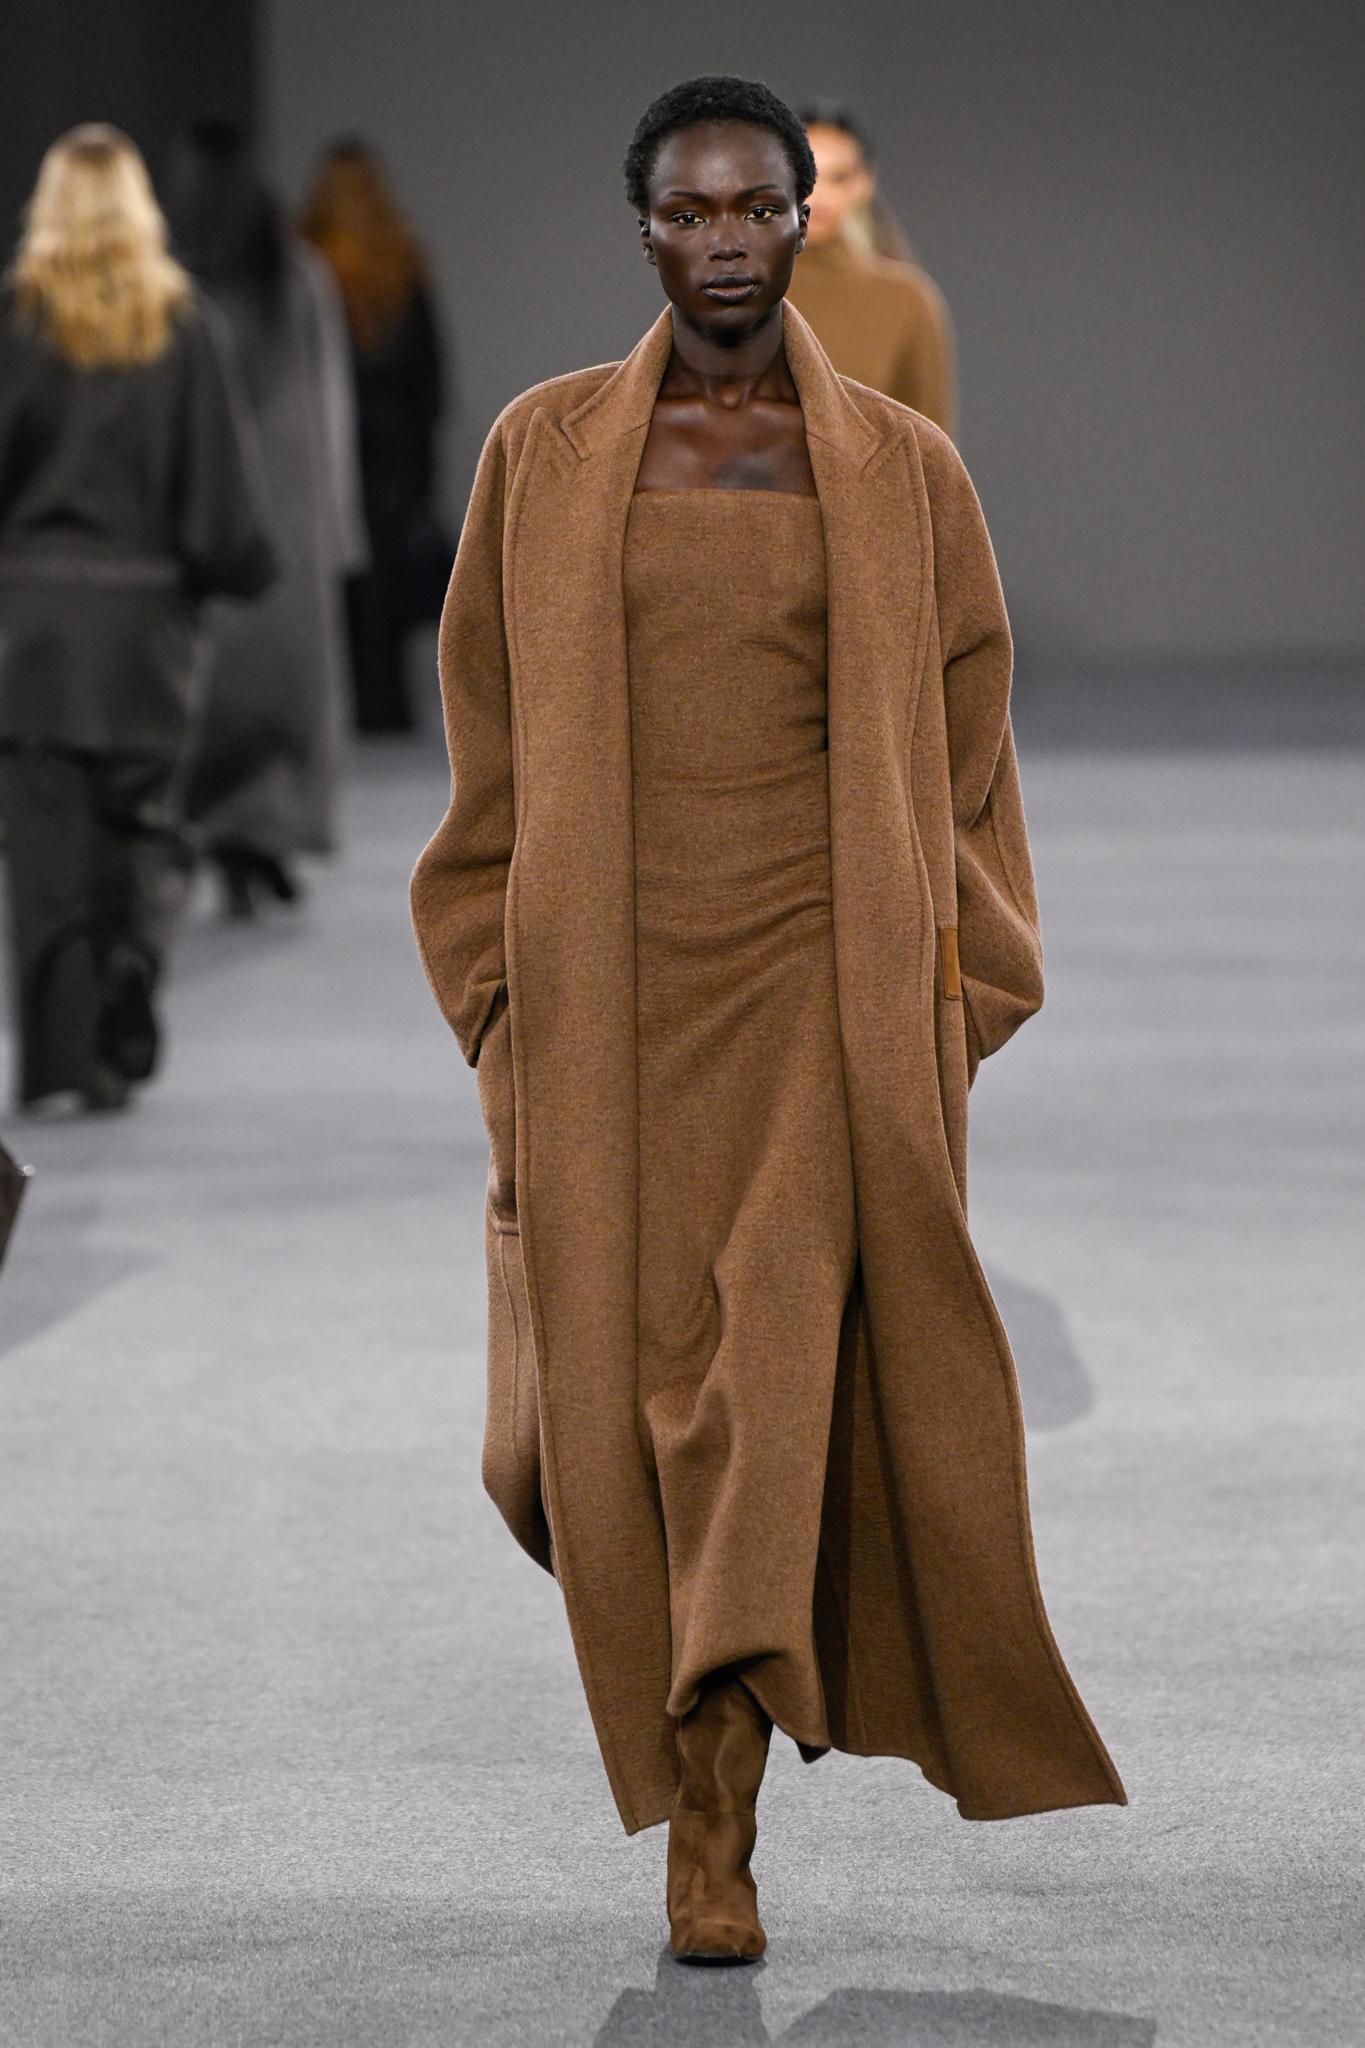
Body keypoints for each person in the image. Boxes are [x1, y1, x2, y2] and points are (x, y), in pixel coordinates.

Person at [411, 74, 1125, 1965]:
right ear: (642, 228)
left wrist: (957, 979)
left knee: (762, 1392)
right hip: (607, 997)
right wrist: (490, 986)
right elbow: (484, 733)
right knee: (600, 1427)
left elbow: (967, 750)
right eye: (689, 212)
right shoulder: (544, 450)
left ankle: (710, 1822)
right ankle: (697, 1737)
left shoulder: (900, 467)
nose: (724, 242)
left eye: (755, 209)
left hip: (822, 993)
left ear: (810, 219)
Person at [0, 124, 277, 1111]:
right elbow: (219, 501)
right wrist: (236, 569)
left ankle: (66, 1059)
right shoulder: (184, 326)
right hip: (147, 629)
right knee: (146, 830)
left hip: (32, 629)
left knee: (45, 854)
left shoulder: (17, 322)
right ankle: (134, 962)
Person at [162, 122, 367, 917]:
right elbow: (331, 408)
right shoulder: (291, 277)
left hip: (222, 518)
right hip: (281, 517)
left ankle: (235, 835)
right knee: (270, 697)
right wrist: (339, 526)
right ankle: (256, 836)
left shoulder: (198, 282)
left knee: (221, 695)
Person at [299, 139, 451, 735]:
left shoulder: (305, 265)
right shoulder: (402, 261)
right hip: (394, 451)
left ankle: (344, 714)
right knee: (387, 589)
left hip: (329, 445)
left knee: (338, 588)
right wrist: (423, 470)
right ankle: (385, 712)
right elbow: (429, 377)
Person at [785, 101, 956, 435]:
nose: (819, 194)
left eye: (838, 177)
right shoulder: (745, 287)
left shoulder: (907, 301)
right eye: (805, 176)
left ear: (864, 183)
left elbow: (932, 443)